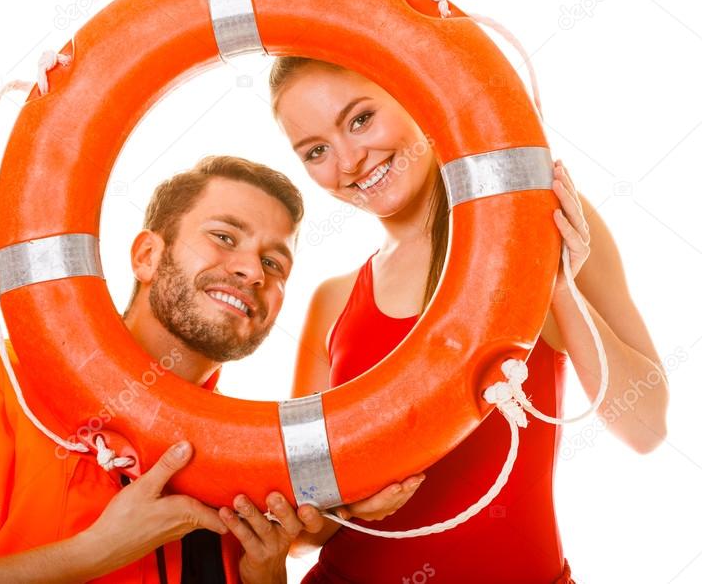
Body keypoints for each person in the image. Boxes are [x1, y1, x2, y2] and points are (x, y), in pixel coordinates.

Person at [0, 156, 417, 584]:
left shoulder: (244, 465)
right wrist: (94, 553)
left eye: (274, 262)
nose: (252, 270)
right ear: (147, 256)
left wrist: (263, 578)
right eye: (224, 237)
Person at [269, 58, 671, 583]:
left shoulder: (536, 220)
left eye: (361, 119)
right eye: (316, 151)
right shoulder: (333, 300)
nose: (349, 160)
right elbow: (302, 533)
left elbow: (645, 429)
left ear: (415, 96)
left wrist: (555, 284)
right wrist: (349, 507)